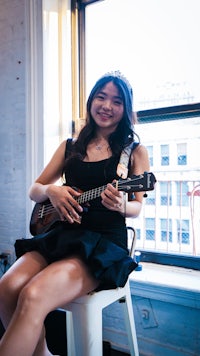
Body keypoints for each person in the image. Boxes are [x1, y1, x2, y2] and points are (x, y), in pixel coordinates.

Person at [0, 71, 150, 356]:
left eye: (116, 101)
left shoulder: (134, 151)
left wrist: (121, 205)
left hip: (102, 245)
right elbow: (35, 189)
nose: (107, 106)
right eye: (101, 97)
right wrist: (52, 192)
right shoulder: (70, 147)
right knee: (6, 288)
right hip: (62, 235)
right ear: (91, 101)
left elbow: (137, 207)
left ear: (125, 108)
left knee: (33, 295)